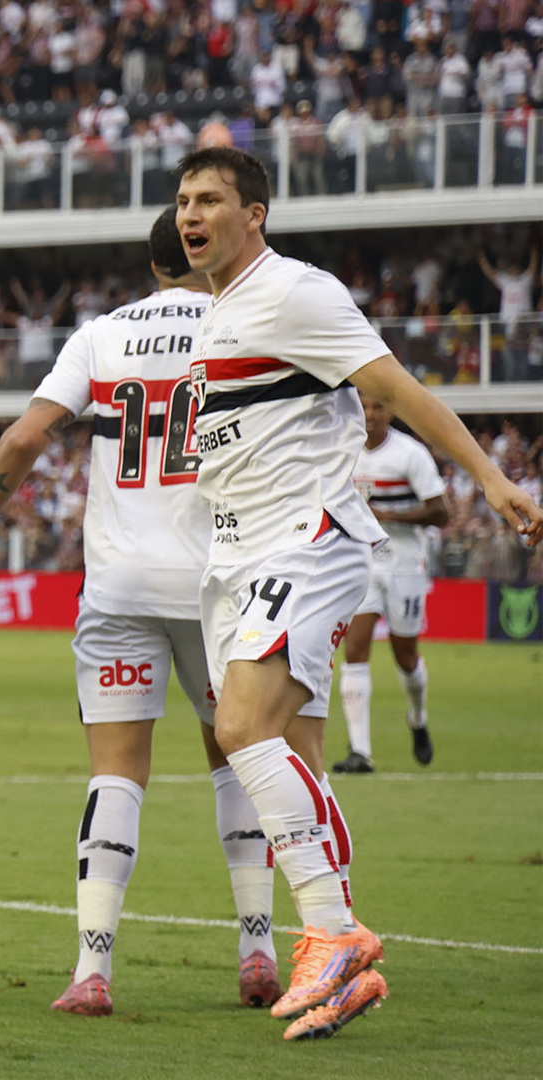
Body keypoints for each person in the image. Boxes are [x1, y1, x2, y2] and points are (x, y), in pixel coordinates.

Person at [172, 146, 543, 1041]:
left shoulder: (297, 291)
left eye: (211, 199)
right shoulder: (215, 312)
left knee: (238, 731)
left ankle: (334, 935)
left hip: (306, 541)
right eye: (184, 200)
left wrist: (489, 480)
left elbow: (397, 389)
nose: (192, 214)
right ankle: (339, 962)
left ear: (254, 212)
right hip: (236, 558)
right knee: (291, 754)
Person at [0, 206, 278, 1018]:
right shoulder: (243, 323)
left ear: (150, 265)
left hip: (117, 585)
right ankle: (258, 948)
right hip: (216, 580)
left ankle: (92, 970)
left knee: (116, 771)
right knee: (236, 758)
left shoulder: (103, 334)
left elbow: (25, 438)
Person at [337, 394, 449, 772]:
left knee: (406, 657)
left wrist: (386, 514)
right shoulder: (344, 449)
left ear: (391, 412)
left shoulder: (411, 453)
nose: (370, 415)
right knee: (354, 651)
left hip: (404, 564)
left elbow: (441, 511)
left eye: (378, 408)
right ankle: (360, 752)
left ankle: (417, 719)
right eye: (364, 407)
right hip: (361, 563)